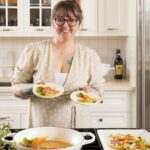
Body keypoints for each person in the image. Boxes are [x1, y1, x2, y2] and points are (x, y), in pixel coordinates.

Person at [11, 0, 104, 128]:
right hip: (42, 126)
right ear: (52, 21)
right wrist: (33, 88)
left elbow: (99, 93)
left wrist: (90, 92)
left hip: (77, 126)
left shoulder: (89, 55)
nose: (65, 25)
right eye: (59, 19)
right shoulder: (34, 50)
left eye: (72, 20)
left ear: (79, 24)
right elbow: (16, 88)